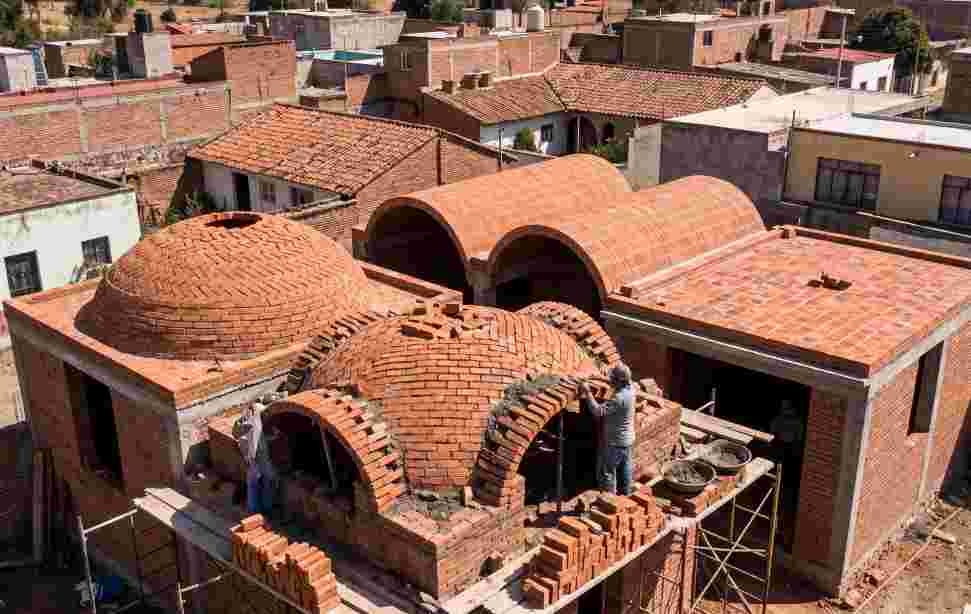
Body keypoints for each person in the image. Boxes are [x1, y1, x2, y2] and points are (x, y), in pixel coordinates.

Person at [579, 363, 635, 496]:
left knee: (607, 472)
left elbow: (597, 411)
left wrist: (587, 392)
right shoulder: (631, 389)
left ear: (619, 381)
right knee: (625, 469)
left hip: (614, 443)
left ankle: (609, 502)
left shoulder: (619, 398)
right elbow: (617, 380)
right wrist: (597, 378)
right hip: (627, 440)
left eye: (613, 379)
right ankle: (626, 495)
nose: (611, 381)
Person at [235, 405, 280, 515]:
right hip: (254, 458)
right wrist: (251, 460)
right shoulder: (249, 423)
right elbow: (246, 442)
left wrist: (273, 436)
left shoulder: (254, 421)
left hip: (259, 457)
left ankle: (263, 509)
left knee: (264, 481)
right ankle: (255, 511)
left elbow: (259, 438)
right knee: (255, 483)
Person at [769, 400, 804, 471]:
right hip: (779, 445)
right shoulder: (777, 419)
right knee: (778, 464)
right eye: (783, 407)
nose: (784, 410)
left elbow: (799, 437)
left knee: (788, 465)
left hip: (791, 447)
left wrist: (796, 448)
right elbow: (772, 432)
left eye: (786, 407)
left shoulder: (797, 421)